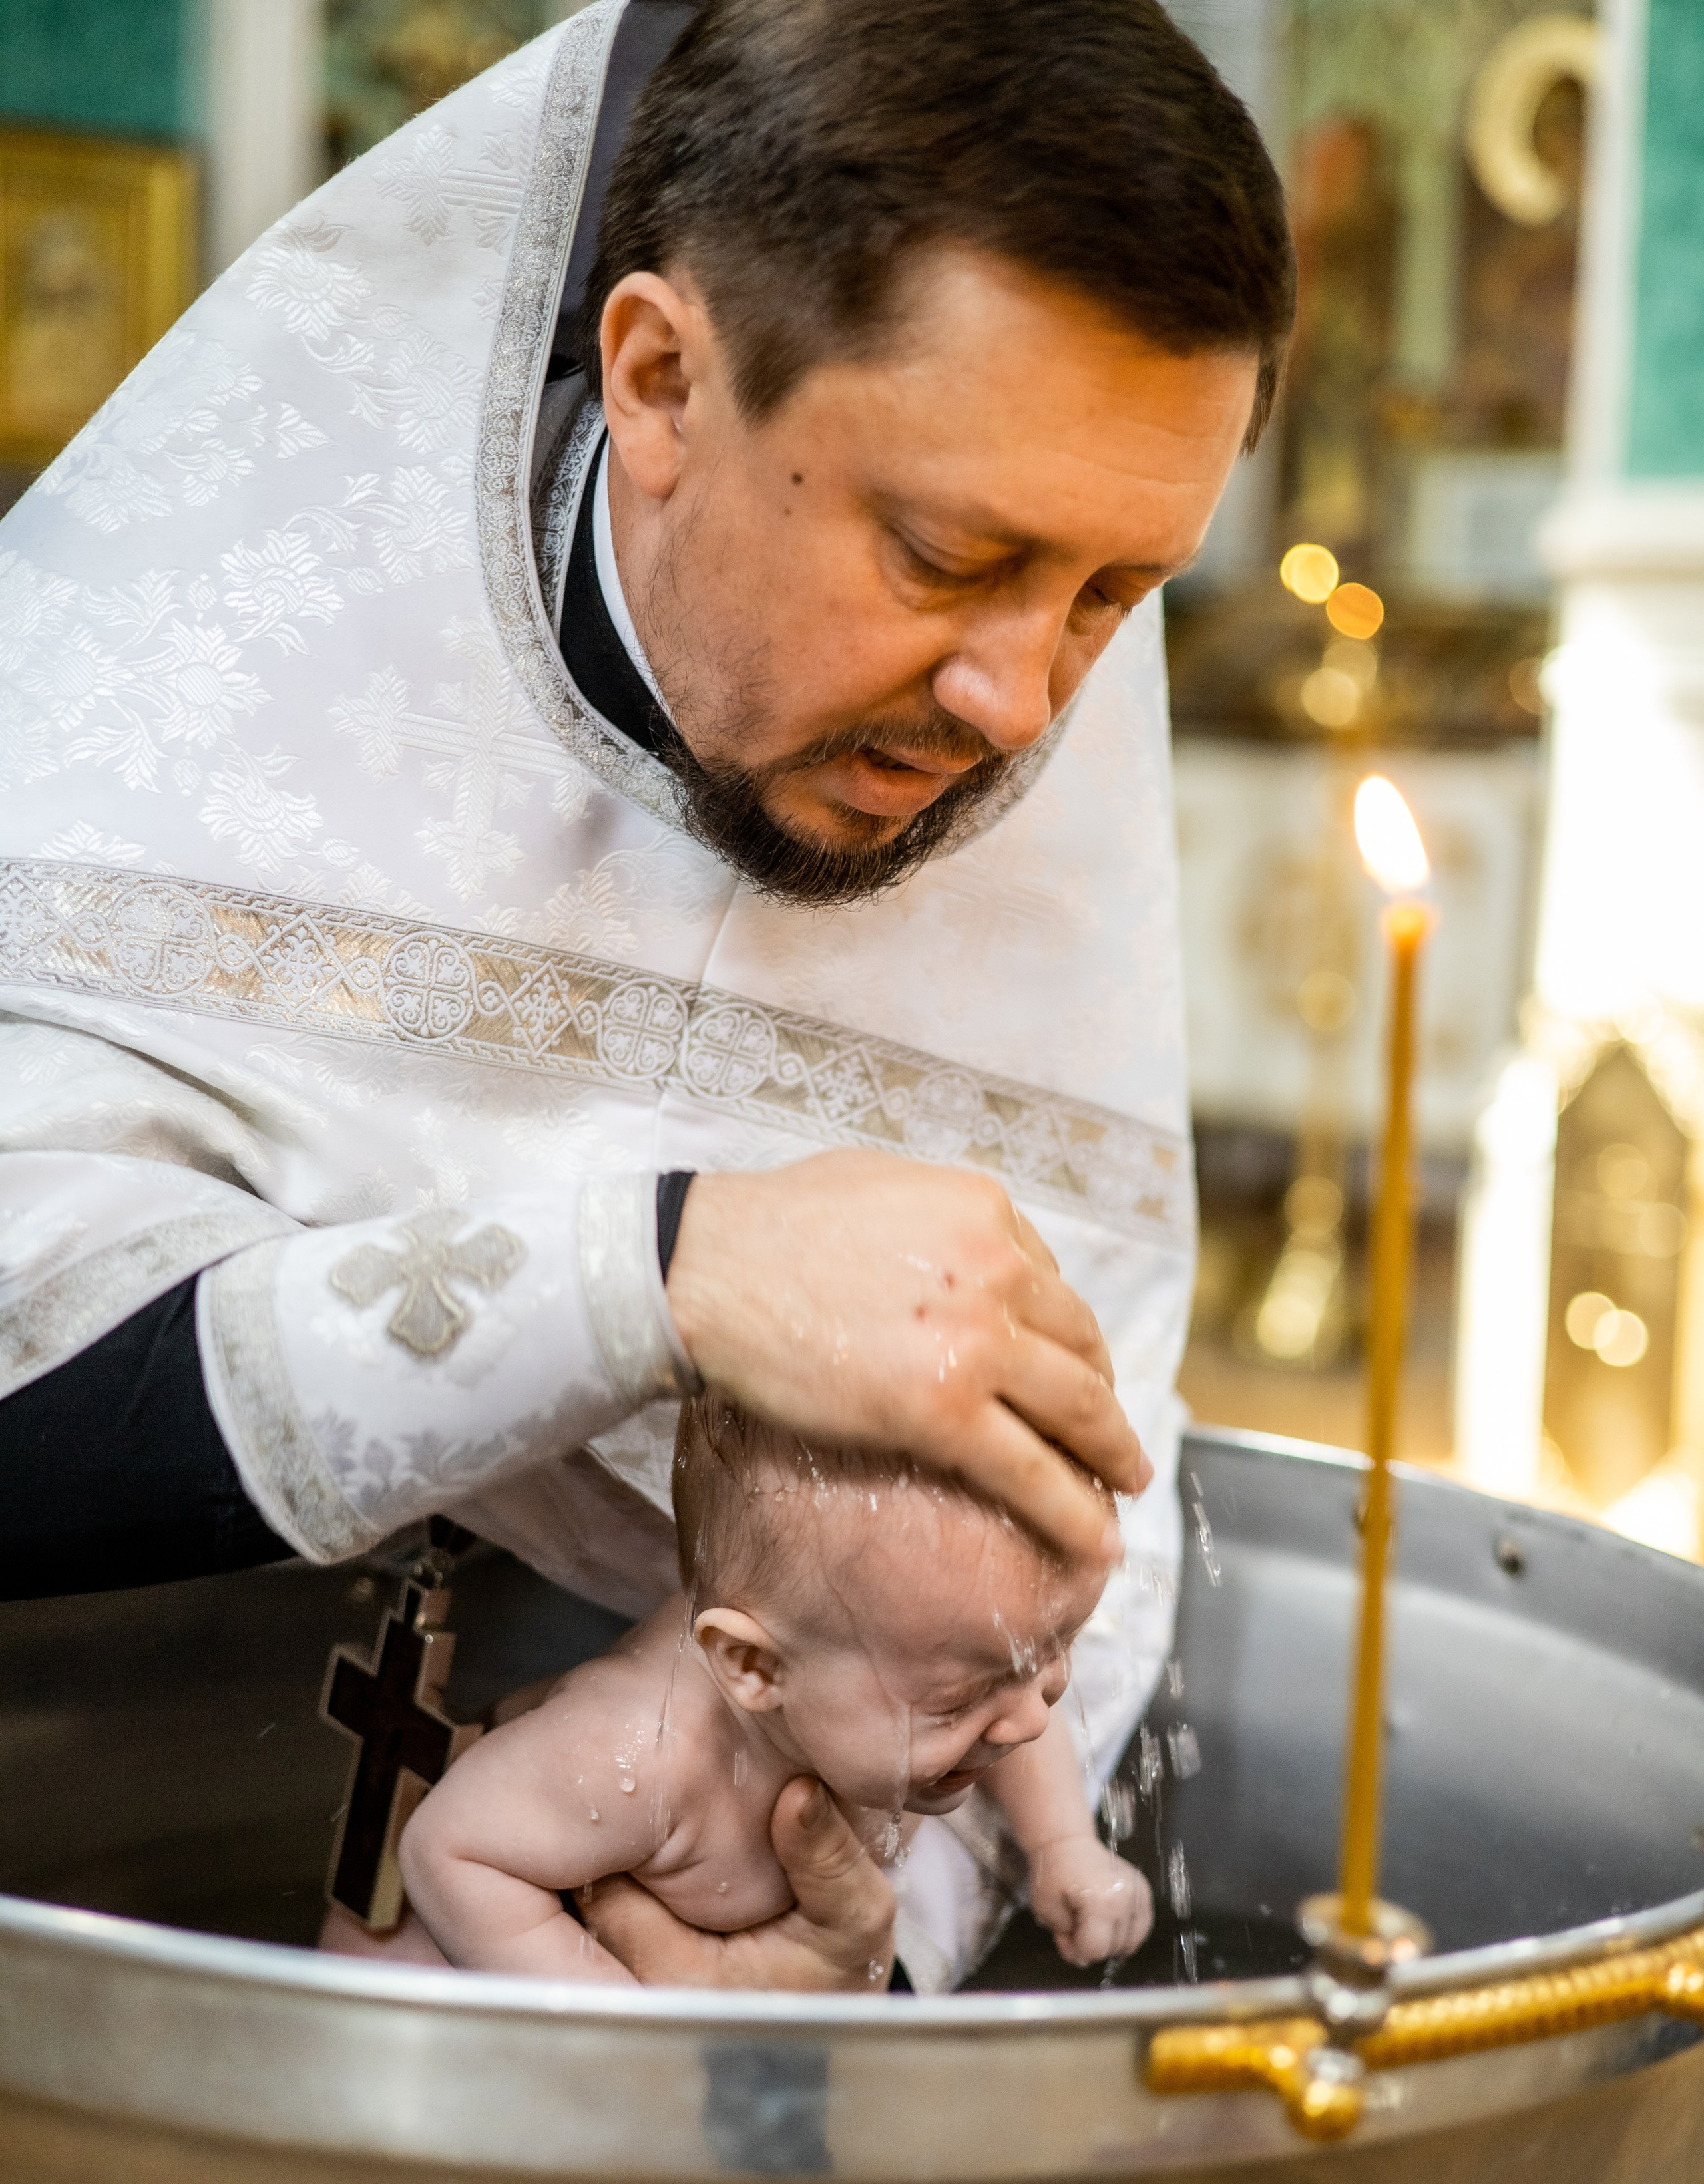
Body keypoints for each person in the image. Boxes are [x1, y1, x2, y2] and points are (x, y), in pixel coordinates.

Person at [0, 0, 1293, 1987]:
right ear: (662, 375)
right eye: (949, 554)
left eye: (1115, 595)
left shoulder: (1025, 729)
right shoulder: (182, 711)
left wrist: (870, 1916)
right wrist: (654, 1272)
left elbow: (1080, 1504)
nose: (1022, 704)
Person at [335, 1393, 1152, 1980]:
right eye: (957, 1699)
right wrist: (614, 2027)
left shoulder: (931, 1665)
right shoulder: (636, 1754)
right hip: (444, 1965)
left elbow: (1002, 1690)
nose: (1027, 1724)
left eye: (1052, 1657)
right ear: (754, 1667)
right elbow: (448, 1847)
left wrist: (1063, 1848)